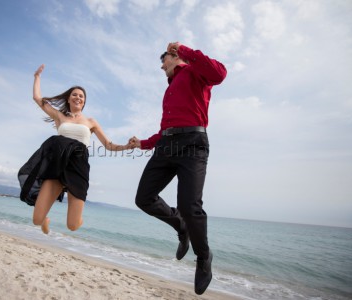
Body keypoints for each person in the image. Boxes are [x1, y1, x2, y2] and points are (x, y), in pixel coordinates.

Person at [129, 42, 227, 295]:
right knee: (143, 198)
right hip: (167, 145)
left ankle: (203, 257)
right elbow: (165, 130)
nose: (162, 67)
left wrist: (185, 50)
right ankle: (180, 226)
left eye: (164, 61)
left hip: (193, 145)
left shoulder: (195, 72)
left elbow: (220, 73)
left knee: (189, 205)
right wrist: (143, 143)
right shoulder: (170, 90)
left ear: (175, 57)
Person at [18, 64, 132, 234]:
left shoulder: (91, 122)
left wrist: (127, 146)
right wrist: (37, 77)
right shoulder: (60, 116)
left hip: (78, 168)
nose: (78, 97)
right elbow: (37, 98)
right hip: (57, 166)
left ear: (84, 101)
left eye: (81, 96)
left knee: (72, 226)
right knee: (37, 220)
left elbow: (108, 145)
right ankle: (45, 219)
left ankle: (78, 216)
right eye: (75, 95)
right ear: (69, 98)